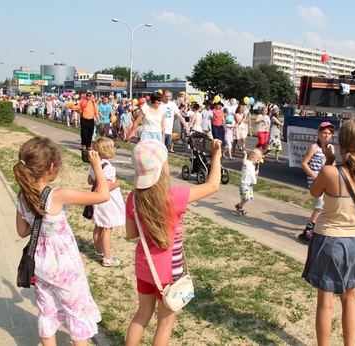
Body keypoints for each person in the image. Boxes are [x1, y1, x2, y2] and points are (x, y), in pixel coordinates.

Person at [124, 138, 222, 345]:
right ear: (163, 167)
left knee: (141, 315)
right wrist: (217, 156)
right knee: (165, 324)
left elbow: (131, 233)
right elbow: (213, 185)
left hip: (144, 266)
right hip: (168, 272)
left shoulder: (133, 198)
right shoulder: (173, 197)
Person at [13, 137, 109, 346]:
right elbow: (103, 195)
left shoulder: (23, 195)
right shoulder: (57, 195)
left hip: (40, 264)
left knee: (46, 311)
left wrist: (37, 221)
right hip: (64, 265)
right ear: (51, 167)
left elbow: (23, 231)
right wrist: (96, 167)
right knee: (76, 313)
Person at [302, 118, 355, 346]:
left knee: (326, 302)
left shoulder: (329, 173)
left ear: (341, 144)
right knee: (351, 298)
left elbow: (314, 192)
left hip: (329, 240)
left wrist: (329, 162)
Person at [88, 137, 125, 266]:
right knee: (107, 229)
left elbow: (89, 181)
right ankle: (107, 258)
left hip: (96, 199)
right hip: (107, 201)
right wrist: (118, 183)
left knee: (98, 226)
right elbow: (108, 187)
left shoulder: (94, 164)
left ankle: (99, 252)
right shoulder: (109, 168)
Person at [298, 121, 336, 243]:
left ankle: (321, 228)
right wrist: (314, 176)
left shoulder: (331, 148)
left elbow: (332, 164)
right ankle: (308, 230)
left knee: (328, 205)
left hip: (327, 180)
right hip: (316, 180)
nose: (326, 135)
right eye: (324, 133)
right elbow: (304, 163)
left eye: (329, 133)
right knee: (320, 206)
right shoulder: (314, 147)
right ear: (319, 133)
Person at [233, 148, 263, 216]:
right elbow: (244, 163)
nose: (258, 162)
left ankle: (241, 209)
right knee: (246, 197)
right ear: (252, 157)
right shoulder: (247, 162)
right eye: (257, 160)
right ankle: (239, 206)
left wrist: (255, 172)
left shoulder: (252, 165)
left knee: (245, 198)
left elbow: (250, 173)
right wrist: (245, 155)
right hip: (244, 183)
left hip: (249, 184)